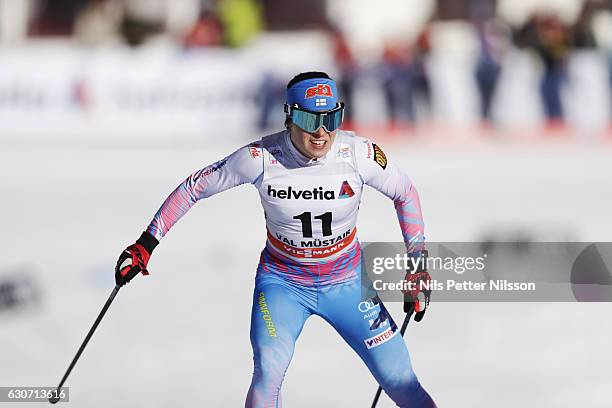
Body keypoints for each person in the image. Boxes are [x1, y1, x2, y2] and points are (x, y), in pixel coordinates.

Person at [115, 71, 437, 407]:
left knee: (402, 382)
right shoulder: (260, 157)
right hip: (283, 285)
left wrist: (417, 267)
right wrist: (146, 244)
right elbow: (195, 187)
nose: (322, 131)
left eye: (332, 118)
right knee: (267, 377)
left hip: (348, 284)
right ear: (290, 116)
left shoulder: (359, 154)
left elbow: (406, 194)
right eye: (310, 118)